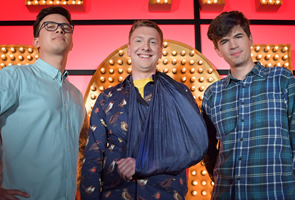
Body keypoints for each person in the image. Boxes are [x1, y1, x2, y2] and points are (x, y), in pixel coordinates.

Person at [80, 20, 208, 199]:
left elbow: (194, 148)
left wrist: (144, 164)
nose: (146, 47)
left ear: (161, 51)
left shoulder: (179, 93)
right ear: (129, 50)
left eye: (153, 42)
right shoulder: (107, 98)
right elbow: (93, 157)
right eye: (139, 41)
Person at [202, 11, 295, 199]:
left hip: (275, 193)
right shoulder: (212, 94)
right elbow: (208, 149)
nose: (233, 45)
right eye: (224, 41)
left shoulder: (282, 80)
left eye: (238, 36)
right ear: (218, 51)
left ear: (250, 39)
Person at [0, 6, 85, 200]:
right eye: (50, 26)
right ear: (36, 41)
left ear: (72, 43)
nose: (59, 30)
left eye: (65, 27)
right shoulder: (14, 78)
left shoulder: (76, 95)